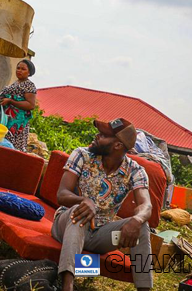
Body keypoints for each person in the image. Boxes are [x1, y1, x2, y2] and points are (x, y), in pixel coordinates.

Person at [53, 118, 153, 291]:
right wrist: (83, 200)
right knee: (80, 211)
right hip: (67, 223)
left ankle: (144, 288)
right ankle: (67, 286)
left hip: (100, 235)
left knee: (142, 226)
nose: (97, 136)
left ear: (117, 145)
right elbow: (62, 194)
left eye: (103, 135)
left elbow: (146, 205)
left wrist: (136, 220)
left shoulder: (135, 171)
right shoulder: (82, 155)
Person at [0, 60, 37, 152]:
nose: (19, 70)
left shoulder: (29, 85)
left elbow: (31, 105)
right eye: (18, 68)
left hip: (18, 123)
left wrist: (11, 101)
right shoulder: (16, 83)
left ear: (29, 72)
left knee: (13, 147)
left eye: (23, 69)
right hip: (8, 119)